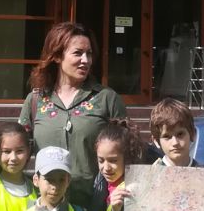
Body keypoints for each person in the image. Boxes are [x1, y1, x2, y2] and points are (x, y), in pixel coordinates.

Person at [18, 22, 125, 200]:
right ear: (57, 56)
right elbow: (16, 150)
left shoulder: (107, 99)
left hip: (96, 205)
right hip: (48, 205)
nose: (86, 60)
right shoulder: (35, 101)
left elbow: (129, 153)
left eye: (89, 54)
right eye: (78, 53)